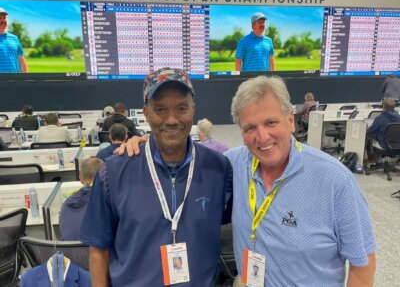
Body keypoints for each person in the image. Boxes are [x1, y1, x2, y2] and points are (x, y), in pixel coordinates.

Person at [121, 76, 376, 286]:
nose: (262, 137)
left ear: (290, 120)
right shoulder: (233, 164)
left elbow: (362, 265)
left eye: (271, 122)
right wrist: (148, 144)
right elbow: (184, 156)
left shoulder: (334, 180)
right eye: (250, 128)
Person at [80, 67, 232, 286]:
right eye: (160, 109)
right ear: (145, 112)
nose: (171, 120)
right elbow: (97, 250)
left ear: (193, 109)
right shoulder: (112, 173)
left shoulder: (219, 168)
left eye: (181, 108)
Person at [59, 157, 103, 241]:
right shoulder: (105, 202)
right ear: (104, 177)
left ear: (80, 178)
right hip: (96, 252)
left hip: (70, 253)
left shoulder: (66, 204)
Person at [0, 8, 28, 73]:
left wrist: (26, 80)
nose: (3, 20)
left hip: (13, 81)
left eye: (4, 18)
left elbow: (22, 62)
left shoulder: (14, 38)